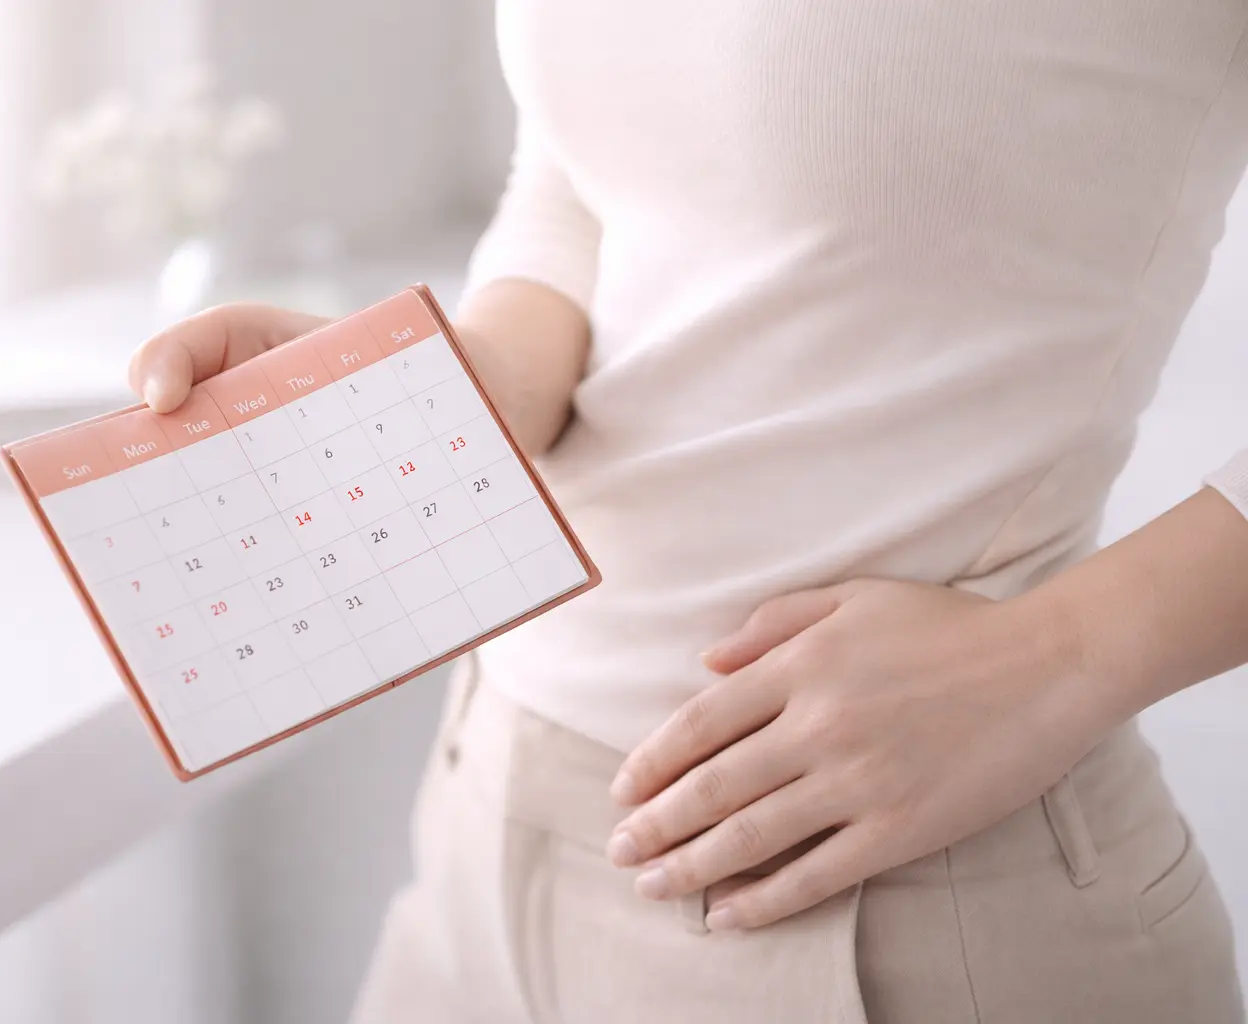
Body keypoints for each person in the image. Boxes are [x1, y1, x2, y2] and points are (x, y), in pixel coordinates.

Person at [129, 1, 1248, 1019]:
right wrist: (455, 386)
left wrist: (1059, 656)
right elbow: (575, 180)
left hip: (885, 901)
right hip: (487, 811)